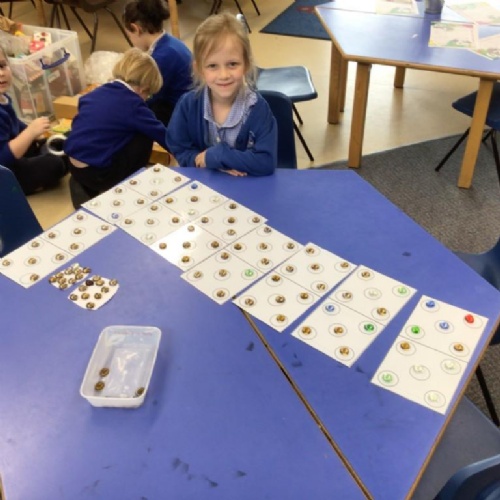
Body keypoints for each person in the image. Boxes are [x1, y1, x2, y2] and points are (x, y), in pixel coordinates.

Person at [165, 12, 277, 177]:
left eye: (232, 64)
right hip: (204, 186)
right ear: (199, 69)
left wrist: (218, 156)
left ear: (246, 64)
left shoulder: (257, 109)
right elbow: (178, 146)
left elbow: (266, 162)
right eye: (212, 66)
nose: (223, 75)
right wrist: (200, 161)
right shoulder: (188, 105)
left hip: (247, 188)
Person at [64, 48, 169, 208]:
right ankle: (130, 183)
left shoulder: (96, 92)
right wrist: (189, 155)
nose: (147, 99)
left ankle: (83, 184)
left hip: (74, 166)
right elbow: (163, 136)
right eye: (149, 96)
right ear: (143, 88)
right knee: (144, 134)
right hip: (98, 174)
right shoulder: (134, 105)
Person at [0, 45, 67, 195]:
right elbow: (2, 159)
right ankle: (22, 188)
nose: (1, 73)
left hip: (13, 155)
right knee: (55, 164)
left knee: (59, 145)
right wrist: (30, 132)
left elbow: (14, 124)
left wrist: (32, 132)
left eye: (2, 66)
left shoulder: (3, 97)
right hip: (4, 171)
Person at [122, 0, 192, 126]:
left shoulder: (160, 58)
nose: (131, 40)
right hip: (188, 104)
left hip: (181, 114)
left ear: (136, 29)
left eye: (130, 36)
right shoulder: (170, 42)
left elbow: (146, 97)